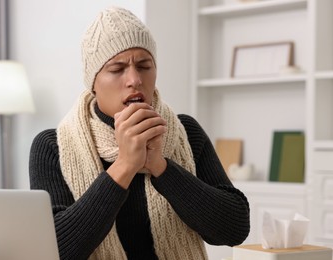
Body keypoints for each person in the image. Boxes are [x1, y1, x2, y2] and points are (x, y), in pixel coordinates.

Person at [29, 6, 250, 260]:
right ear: (93, 82)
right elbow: (58, 251)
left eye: (144, 65)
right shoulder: (52, 146)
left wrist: (161, 167)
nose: (134, 79)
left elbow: (235, 229)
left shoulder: (185, 132)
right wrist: (125, 165)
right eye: (117, 69)